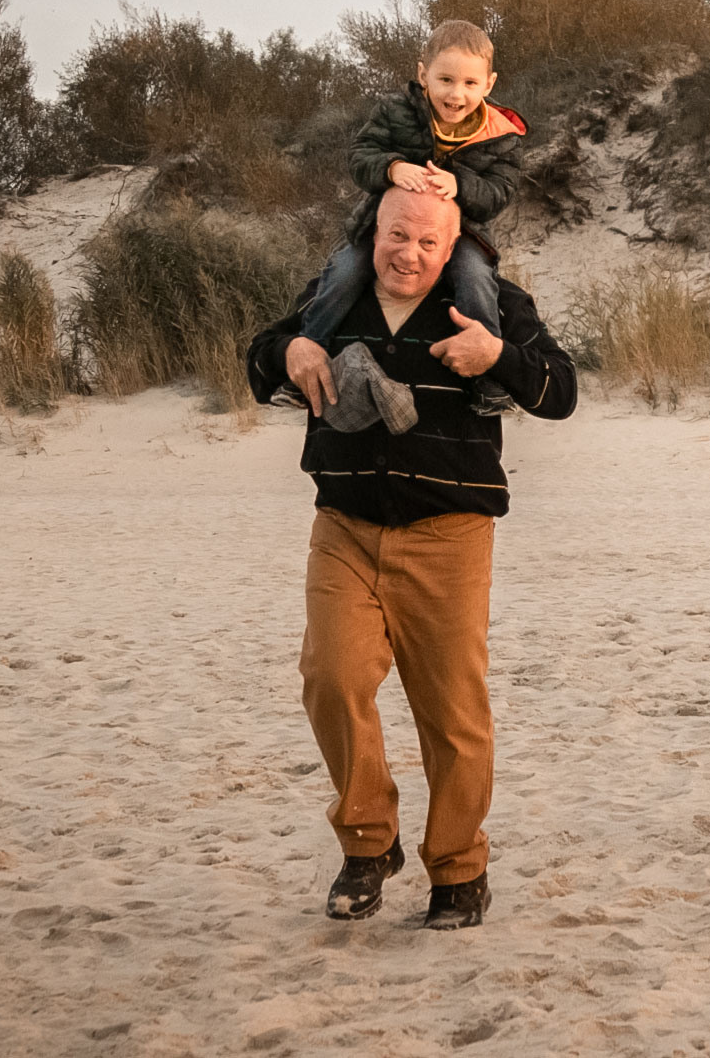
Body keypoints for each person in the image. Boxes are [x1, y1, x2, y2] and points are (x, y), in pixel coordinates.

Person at [247, 185, 576, 930]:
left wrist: (497, 355)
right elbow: (260, 355)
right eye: (396, 236)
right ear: (372, 232)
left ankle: (458, 870)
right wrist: (290, 347)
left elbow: (561, 391)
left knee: (451, 712)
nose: (409, 254)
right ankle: (368, 845)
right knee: (330, 677)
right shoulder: (337, 295)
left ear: (454, 245)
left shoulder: (492, 303)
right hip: (345, 524)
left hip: (449, 530)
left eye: (429, 243)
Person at [274, 19, 526, 415]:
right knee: (343, 272)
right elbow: (359, 157)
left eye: (470, 84)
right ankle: (309, 357)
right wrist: (391, 168)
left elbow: (501, 192)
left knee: (476, 279)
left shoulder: (502, 134)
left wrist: (460, 184)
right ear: (422, 74)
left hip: (465, 234)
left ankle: (487, 377)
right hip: (384, 228)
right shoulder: (395, 111)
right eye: (445, 79)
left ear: (489, 84)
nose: (456, 94)